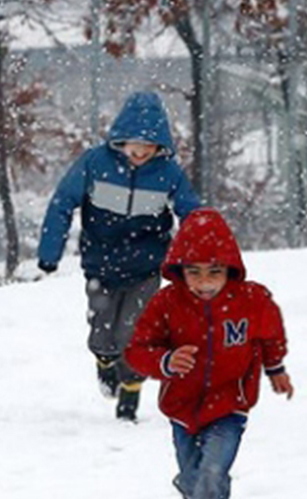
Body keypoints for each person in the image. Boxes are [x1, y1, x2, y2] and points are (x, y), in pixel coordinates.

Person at [125, 208, 293, 499]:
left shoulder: (251, 299)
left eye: (214, 272)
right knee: (193, 482)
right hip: (182, 408)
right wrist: (165, 362)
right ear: (180, 270)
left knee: (209, 480)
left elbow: (270, 333)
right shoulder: (167, 303)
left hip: (230, 405)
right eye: (194, 273)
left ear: (230, 269)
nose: (204, 283)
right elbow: (137, 351)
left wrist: (275, 367)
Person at [38, 91, 200, 421]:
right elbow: (62, 203)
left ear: (161, 146)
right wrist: (49, 252)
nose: (140, 152)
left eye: (149, 146)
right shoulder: (95, 164)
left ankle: (131, 391)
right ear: (120, 140)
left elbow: (193, 214)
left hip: (146, 267)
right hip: (101, 263)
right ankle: (104, 361)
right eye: (134, 145)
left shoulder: (168, 173)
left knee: (135, 333)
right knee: (103, 331)